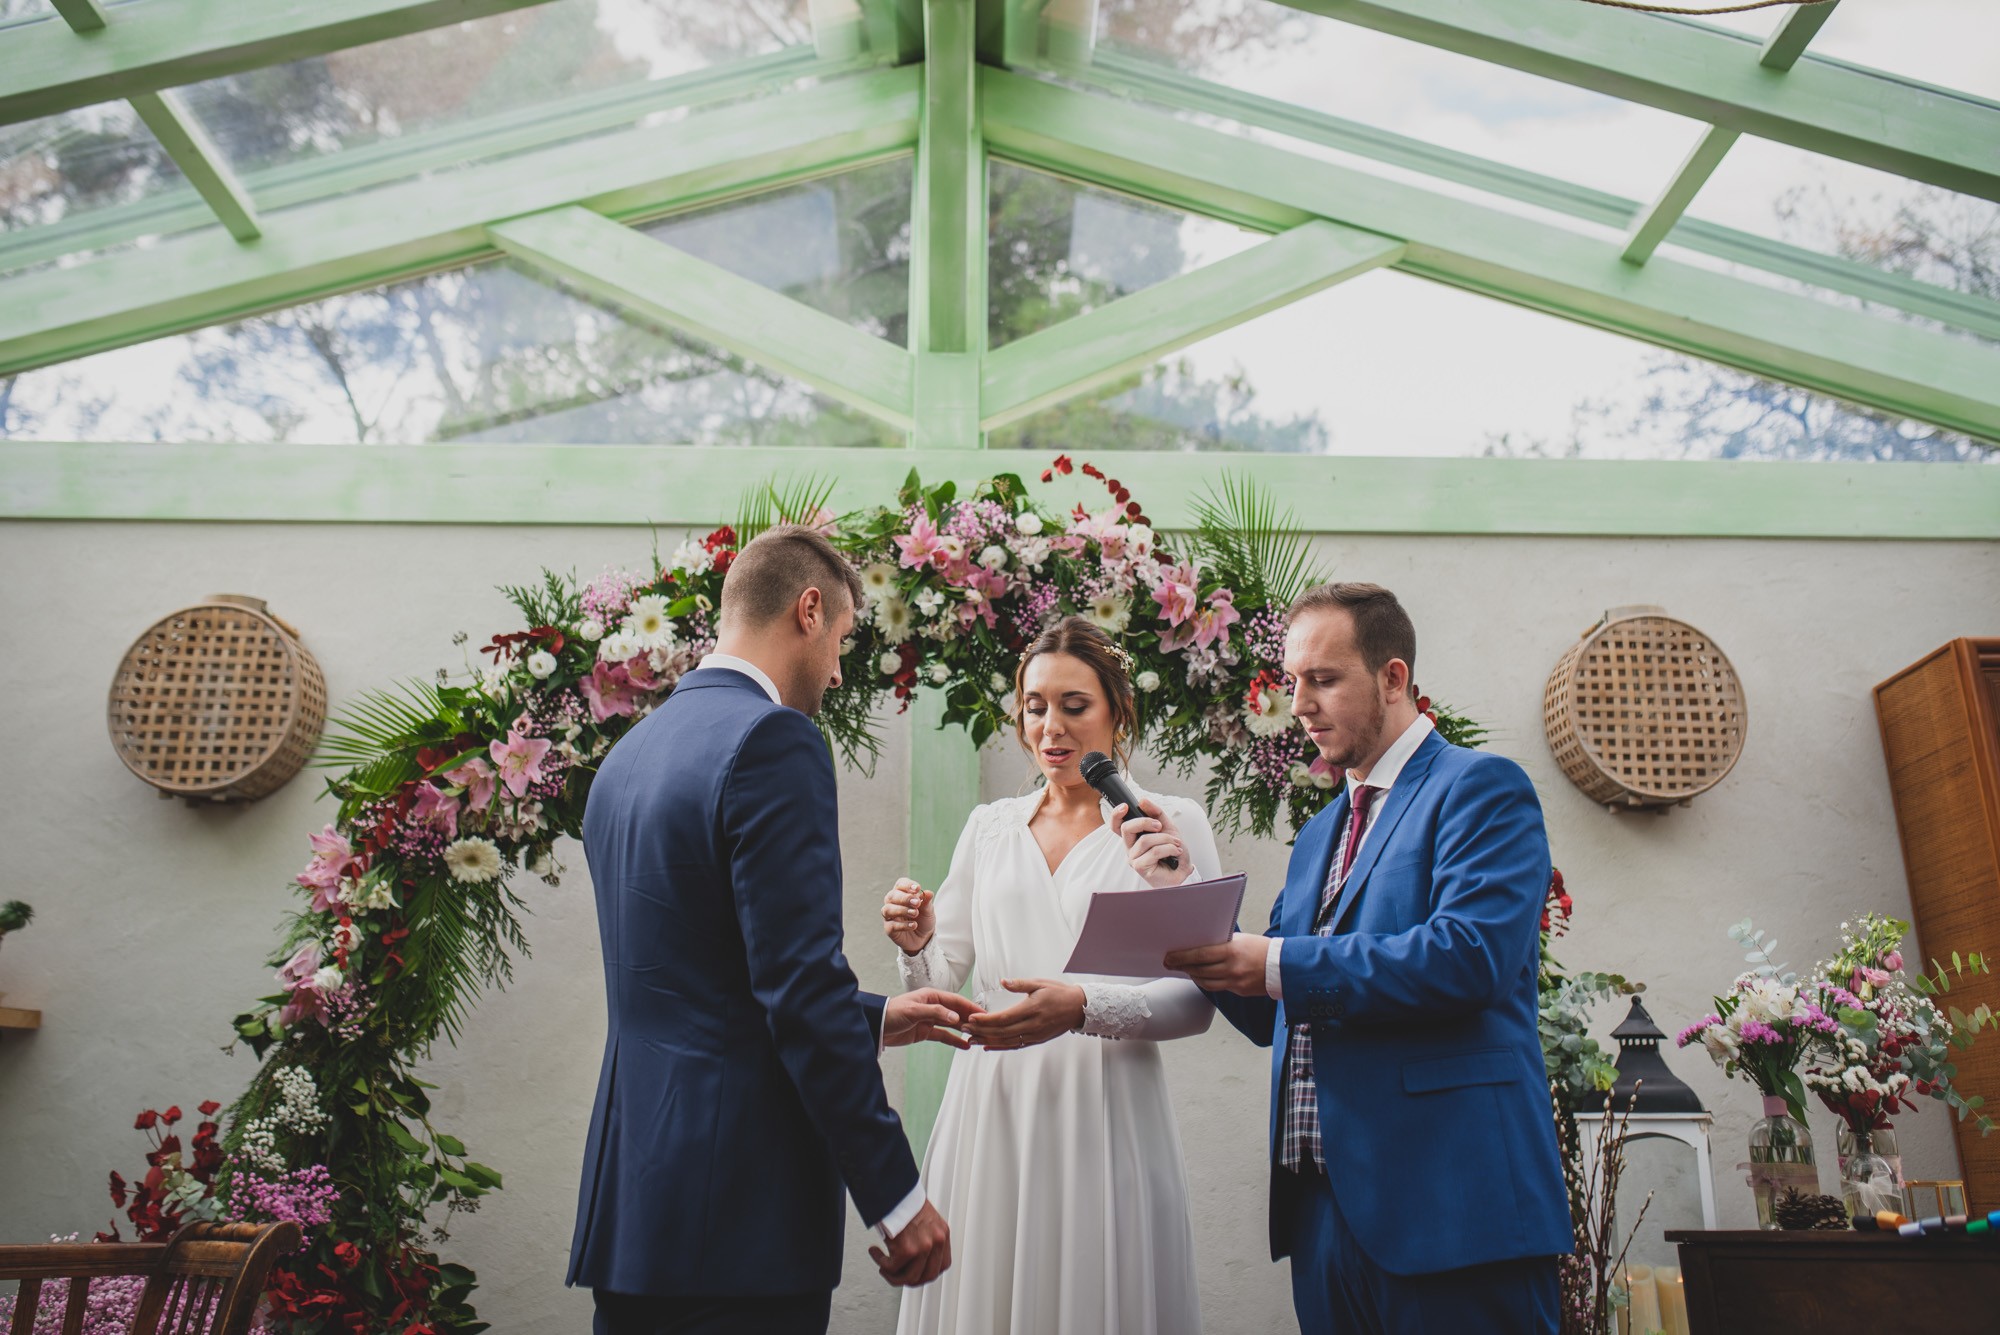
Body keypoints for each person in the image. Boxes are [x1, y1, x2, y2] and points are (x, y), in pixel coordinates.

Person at [1119, 583, 1570, 1335]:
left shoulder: (1482, 789)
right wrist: (1182, 893)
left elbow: (1469, 957)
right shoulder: (1319, 833)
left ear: (1394, 678)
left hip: (1452, 1208)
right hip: (1323, 1220)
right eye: (1293, 680)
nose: (1299, 702)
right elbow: (1270, 1010)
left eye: (1323, 679)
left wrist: (1276, 962)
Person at [569, 524, 979, 1335]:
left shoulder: (627, 756)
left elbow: (697, 977)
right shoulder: (773, 739)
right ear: (809, 608)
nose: (835, 670)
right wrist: (895, 1195)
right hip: (739, 1212)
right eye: (844, 643)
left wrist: (878, 1018)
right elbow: (797, 987)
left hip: (636, 1206)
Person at [882, 615, 1220, 1335]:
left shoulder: (1171, 822)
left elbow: (1199, 999)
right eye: (1036, 706)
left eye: (1075, 705)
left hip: (1108, 1107)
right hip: (993, 1108)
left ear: (1118, 710)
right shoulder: (990, 826)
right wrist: (917, 943)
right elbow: (943, 978)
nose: (1051, 727)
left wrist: (1083, 1006)